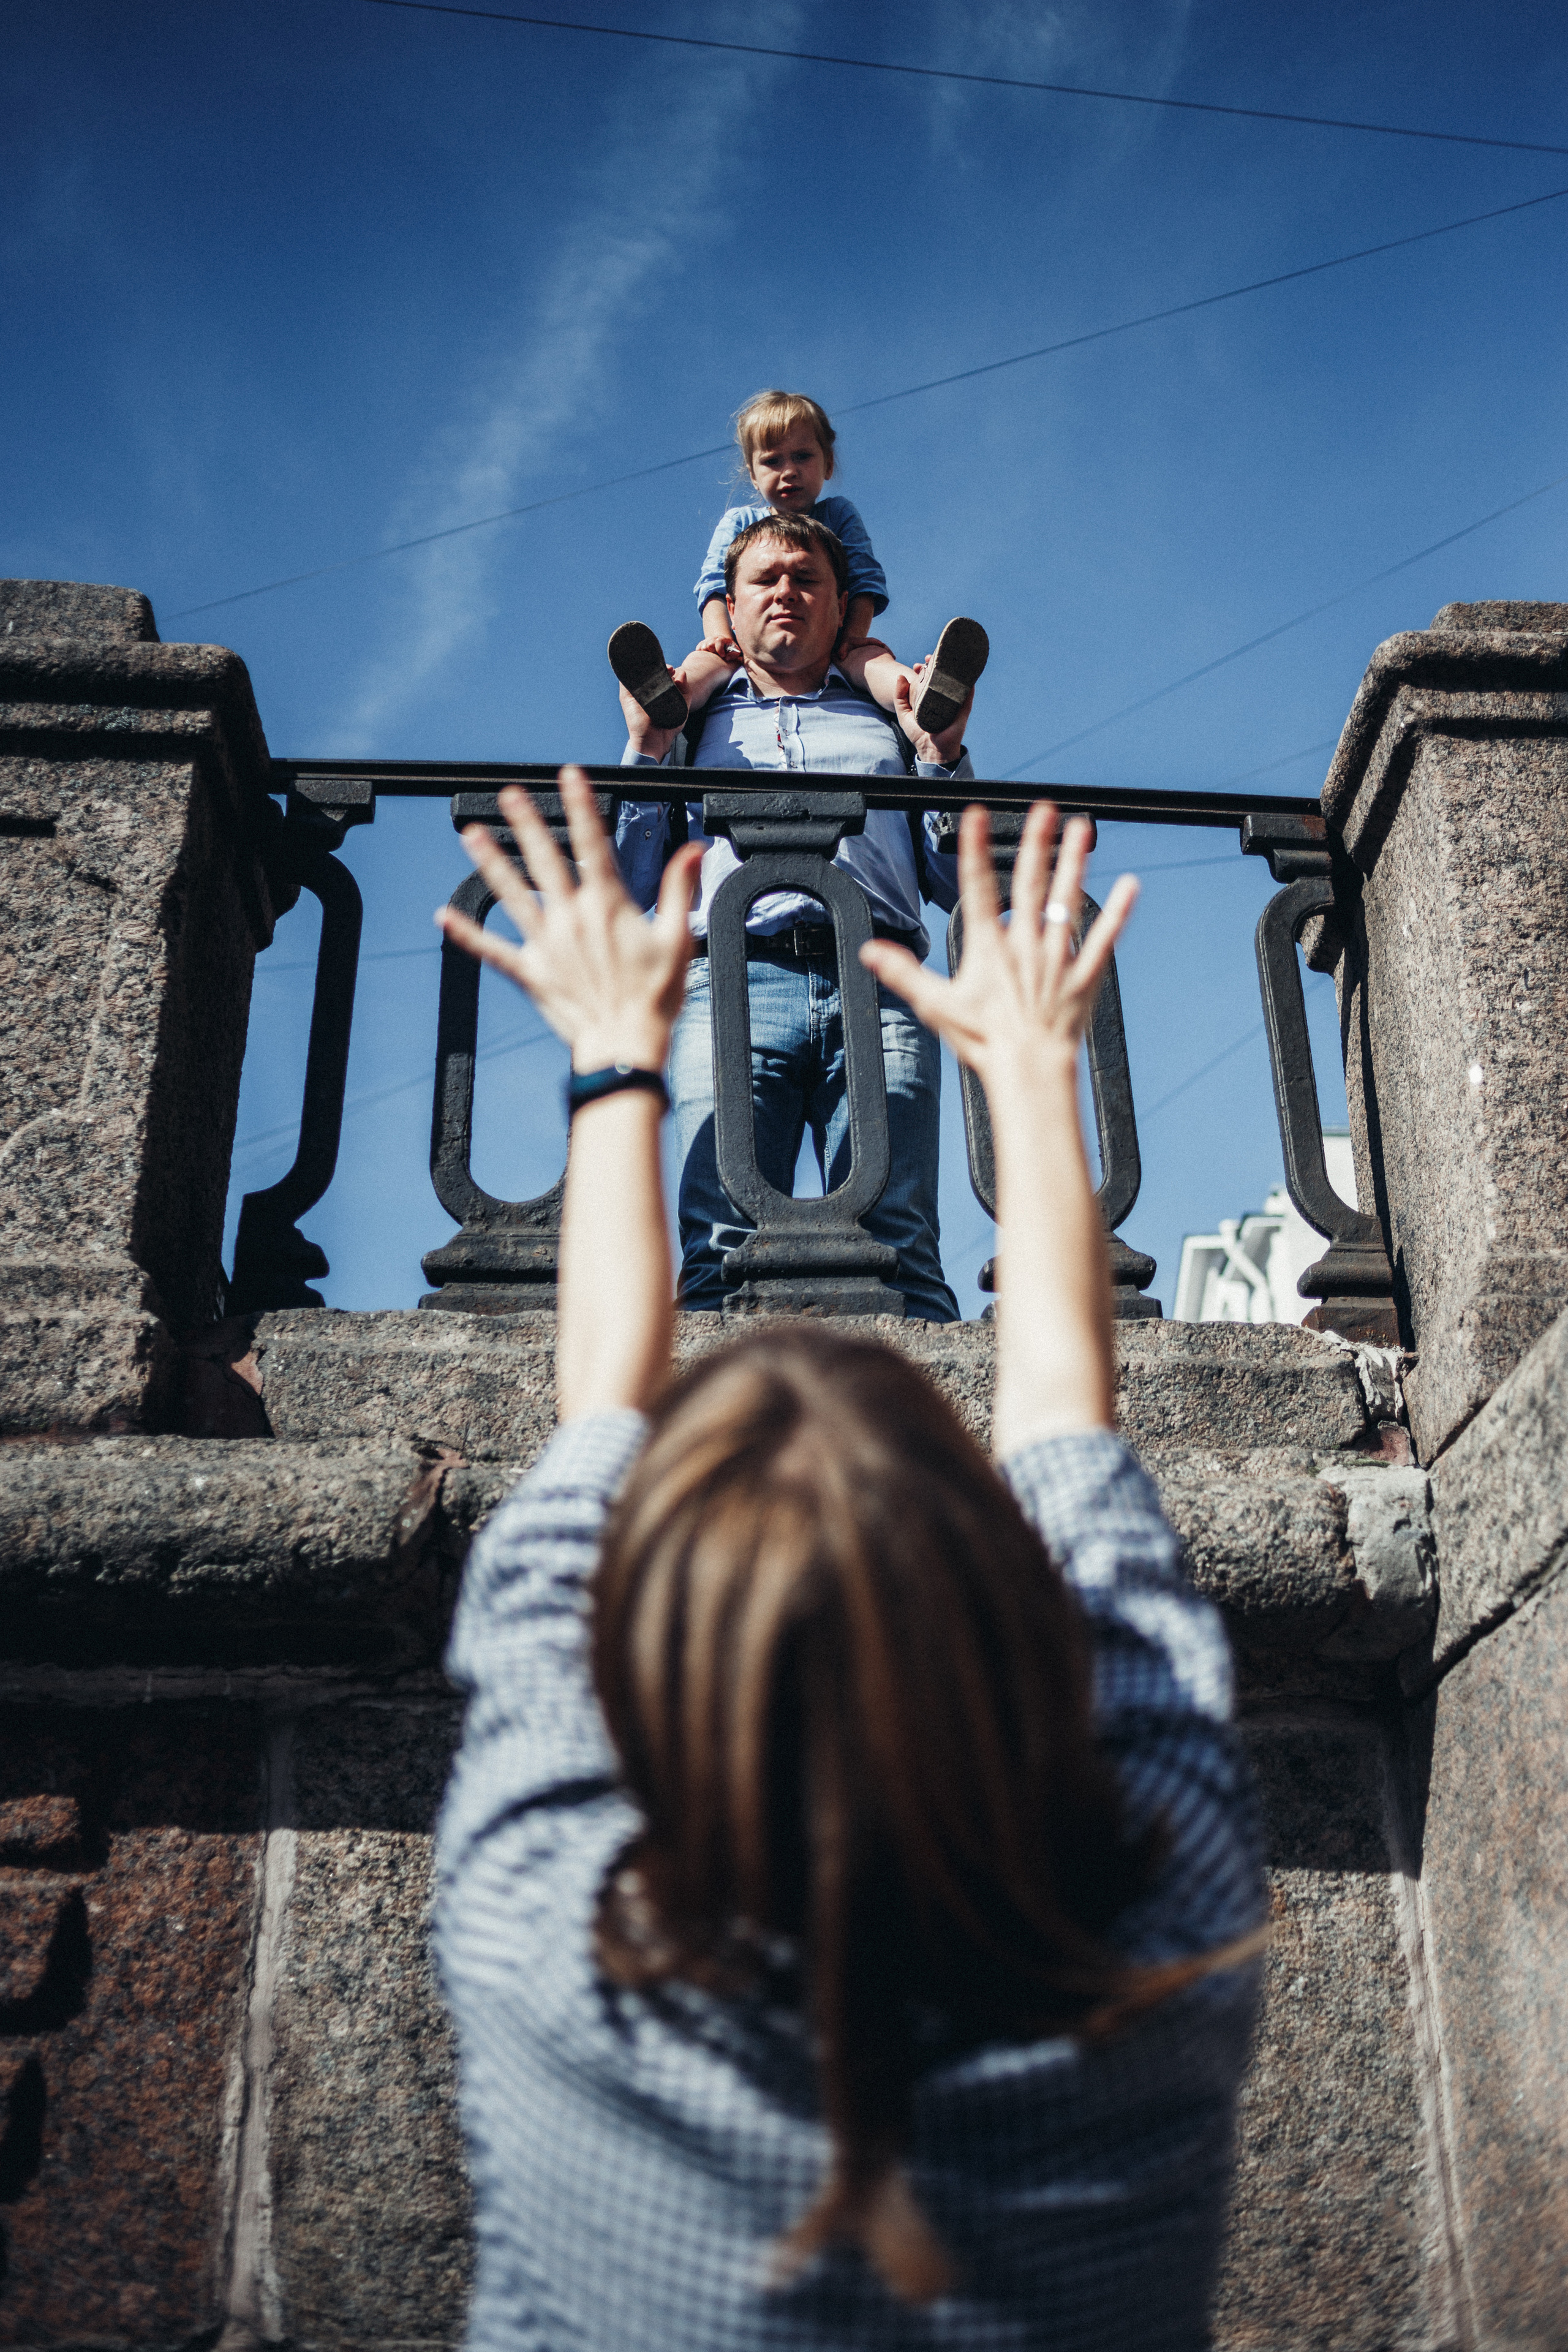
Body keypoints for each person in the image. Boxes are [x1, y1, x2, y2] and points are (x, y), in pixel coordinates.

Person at [433, 768, 1268, 2352]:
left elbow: (609, 1389)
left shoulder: (539, 1919)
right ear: (1001, 1600)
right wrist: (1032, 1079)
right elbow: (1069, 1437)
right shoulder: (1172, 1928)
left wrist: (619, 1063)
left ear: (641, 1634)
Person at [614, 510, 971, 1322]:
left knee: (902, 1236)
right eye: (765, 580)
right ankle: (711, 1441)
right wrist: (645, 750)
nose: (786, 592)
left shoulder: (893, 713)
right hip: (732, 982)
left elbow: (954, 880)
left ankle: (929, 1438)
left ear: (841, 607)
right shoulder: (693, 719)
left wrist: (942, 757)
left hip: (881, 980)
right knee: (719, 1241)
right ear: (729, 614)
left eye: (807, 579)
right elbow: (629, 881)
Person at [607, 387, 989, 738]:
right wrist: (719, 636)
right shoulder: (740, 522)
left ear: (827, 464)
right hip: (752, 646)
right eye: (772, 461)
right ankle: (669, 696)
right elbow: (713, 584)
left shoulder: (838, 515)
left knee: (873, 662)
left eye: (803, 456)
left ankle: (924, 695)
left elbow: (865, 579)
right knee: (707, 663)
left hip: (836, 639)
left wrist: (854, 637)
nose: (789, 471)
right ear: (754, 477)